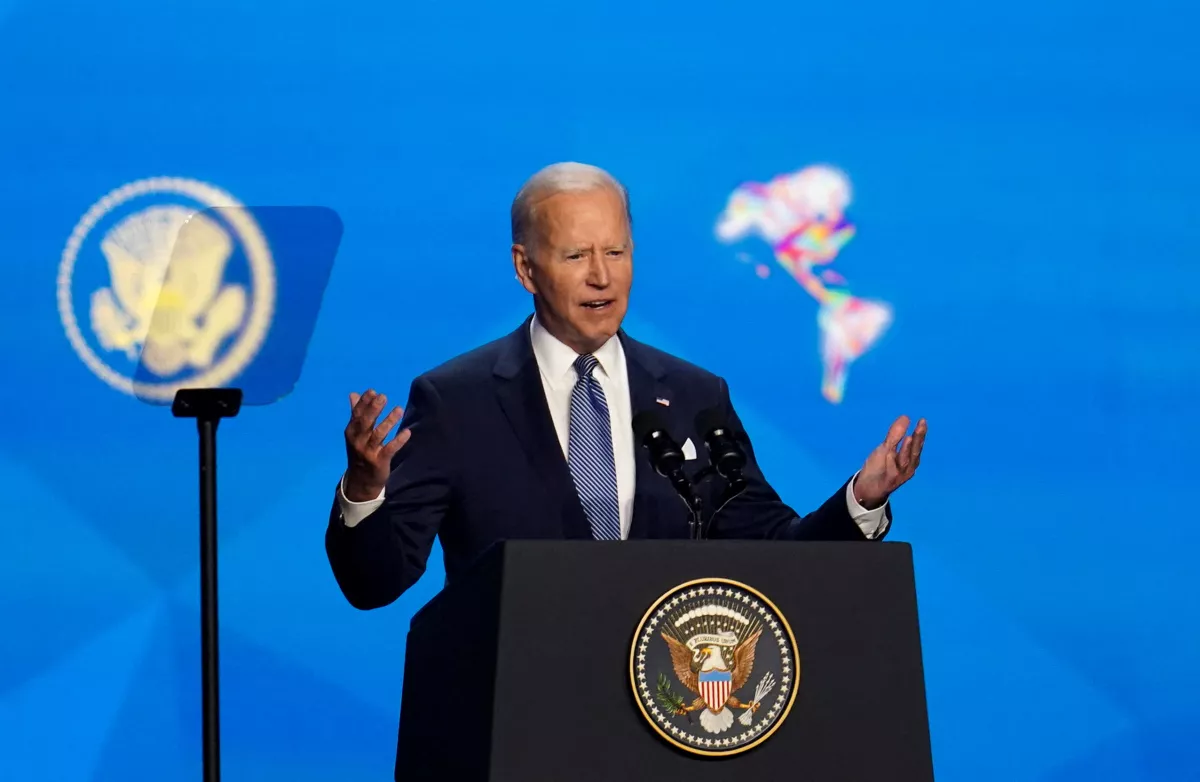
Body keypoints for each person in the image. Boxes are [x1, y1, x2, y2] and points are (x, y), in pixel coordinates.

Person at [325, 162, 926, 610]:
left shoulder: (694, 397)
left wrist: (861, 501)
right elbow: (375, 583)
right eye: (576, 255)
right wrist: (363, 488)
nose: (602, 276)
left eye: (617, 251)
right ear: (525, 268)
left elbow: (774, 550)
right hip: (516, 723)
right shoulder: (457, 400)